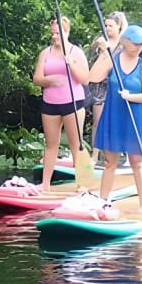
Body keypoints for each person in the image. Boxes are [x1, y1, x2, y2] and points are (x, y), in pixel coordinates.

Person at [88, 24, 142, 212]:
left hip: (135, 118)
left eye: (141, 44)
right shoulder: (113, 59)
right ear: (125, 41)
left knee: (136, 163)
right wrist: (104, 53)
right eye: (135, 43)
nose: (139, 47)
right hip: (114, 116)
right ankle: (103, 202)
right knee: (109, 162)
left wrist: (130, 96)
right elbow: (92, 78)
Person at [32, 15, 90, 192]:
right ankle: (45, 184)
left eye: (58, 33)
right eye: (52, 33)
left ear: (66, 32)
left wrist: (71, 64)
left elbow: (85, 79)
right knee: (51, 145)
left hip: (73, 103)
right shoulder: (45, 53)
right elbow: (37, 79)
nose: (54, 36)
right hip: (50, 104)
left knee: (76, 144)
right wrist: (50, 80)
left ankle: (82, 184)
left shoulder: (76, 52)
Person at [88, 11, 128, 164]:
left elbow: (121, 66)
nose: (107, 28)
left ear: (119, 27)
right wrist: (101, 50)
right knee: (98, 121)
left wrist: (107, 51)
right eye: (106, 25)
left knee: (118, 121)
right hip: (99, 86)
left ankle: (120, 153)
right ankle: (94, 155)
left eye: (111, 25)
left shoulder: (124, 45)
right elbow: (92, 69)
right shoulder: (99, 43)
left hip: (116, 86)